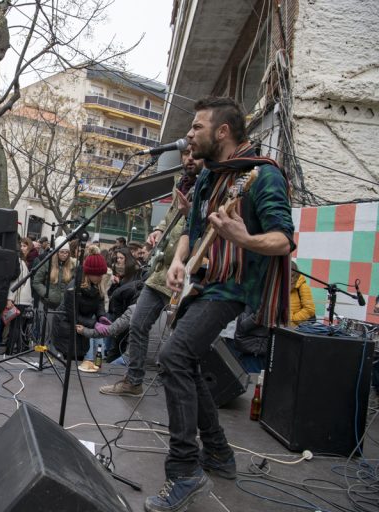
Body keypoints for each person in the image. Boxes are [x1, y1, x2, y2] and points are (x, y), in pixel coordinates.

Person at [144, 97, 295, 512]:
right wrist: (179, 262)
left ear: (222, 131)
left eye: (197, 127)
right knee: (187, 362)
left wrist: (243, 238)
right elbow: (190, 232)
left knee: (173, 357)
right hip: (205, 283)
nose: (189, 135)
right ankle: (218, 453)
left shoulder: (263, 176)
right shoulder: (209, 178)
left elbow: (283, 239)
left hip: (235, 287)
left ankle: (184, 471)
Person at [100, 148, 202, 398]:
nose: (189, 158)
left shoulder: (211, 184)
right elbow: (169, 218)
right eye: (186, 153)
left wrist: (192, 214)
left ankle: (191, 392)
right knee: (138, 323)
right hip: (162, 270)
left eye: (195, 153)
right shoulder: (181, 182)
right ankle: (134, 381)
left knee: (186, 339)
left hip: (191, 271)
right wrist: (158, 230)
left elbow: (211, 226)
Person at [51, 245, 110, 362]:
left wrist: (101, 316)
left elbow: (99, 303)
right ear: (89, 273)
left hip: (82, 326)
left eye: (101, 274)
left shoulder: (97, 285)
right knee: (70, 360)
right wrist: (94, 324)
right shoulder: (73, 288)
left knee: (79, 357)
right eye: (98, 274)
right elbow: (73, 315)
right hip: (66, 327)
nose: (100, 277)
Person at [32, 236, 76, 340]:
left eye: (66, 252)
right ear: (57, 252)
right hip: (48, 305)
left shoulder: (72, 266)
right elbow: (36, 281)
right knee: (46, 334)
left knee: (59, 335)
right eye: (62, 252)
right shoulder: (47, 263)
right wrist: (47, 293)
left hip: (63, 307)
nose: (64, 255)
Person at [289, 261, 315, 325]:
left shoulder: (302, 286)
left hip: (293, 327)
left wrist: (292, 320)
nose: (291, 279)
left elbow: (309, 309)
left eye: (292, 275)